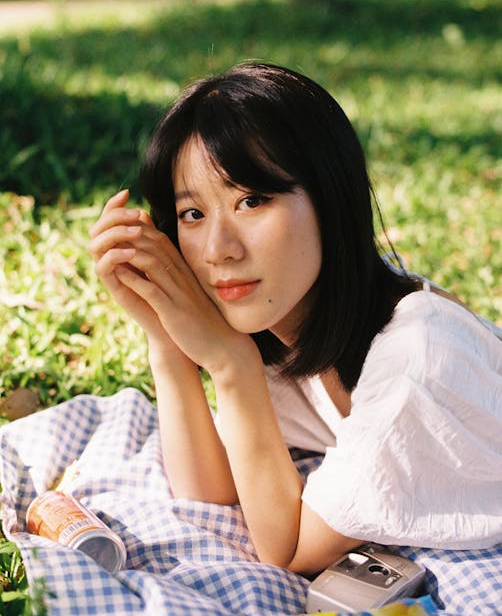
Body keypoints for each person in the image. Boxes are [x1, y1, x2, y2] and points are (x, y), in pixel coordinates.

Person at [89, 62, 502, 576]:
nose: (218, 249)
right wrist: (165, 335)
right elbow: (211, 491)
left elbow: (286, 552)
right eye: (193, 214)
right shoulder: (279, 318)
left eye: (252, 200)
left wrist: (229, 363)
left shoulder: (415, 357)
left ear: (331, 199)